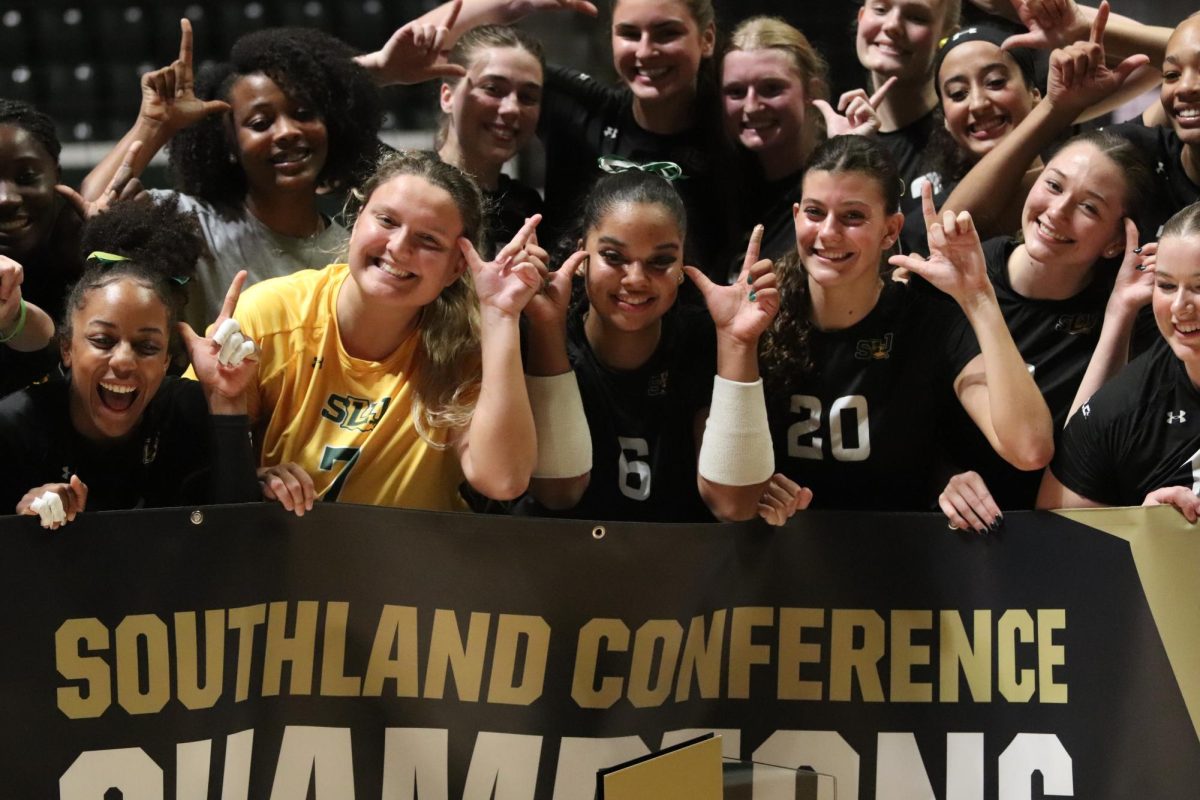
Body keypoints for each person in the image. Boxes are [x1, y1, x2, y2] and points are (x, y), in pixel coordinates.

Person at [227, 150, 540, 514]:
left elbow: (503, 481)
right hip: (282, 562)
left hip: (413, 564)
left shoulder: (465, 347)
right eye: (387, 221)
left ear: (456, 267)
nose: (399, 248)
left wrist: (501, 316)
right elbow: (191, 465)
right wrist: (253, 478)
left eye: (429, 240)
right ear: (358, 218)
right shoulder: (270, 314)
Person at [760, 135, 1052, 511]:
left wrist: (979, 297)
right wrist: (754, 489)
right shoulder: (761, 319)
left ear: (891, 230)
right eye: (815, 212)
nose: (829, 232)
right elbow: (722, 496)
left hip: (901, 556)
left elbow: (1029, 448)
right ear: (797, 215)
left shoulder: (929, 321)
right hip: (786, 556)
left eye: (853, 216)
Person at [361, 0, 734, 282]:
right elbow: (438, 52)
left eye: (667, 33)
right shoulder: (583, 109)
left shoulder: (734, 130)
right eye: (629, 34)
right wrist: (511, 5)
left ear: (707, 39)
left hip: (688, 352)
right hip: (568, 353)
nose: (645, 50)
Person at [81, 20, 384, 333]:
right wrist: (155, 123)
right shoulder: (187, 223)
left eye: (304, 114)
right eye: (260, 122)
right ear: (230, 145)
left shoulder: (352, 252)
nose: (287, 132)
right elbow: (93, 205)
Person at [519, 169, 787, 521]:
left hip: (682, 566)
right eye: (613, 257)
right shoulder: (540, 334)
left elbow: (732, 504)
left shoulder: (704, 340)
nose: (636, 279)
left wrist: (739, 342)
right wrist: (546, 327)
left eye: (660, 261)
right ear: (582, 255)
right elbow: (558, 493)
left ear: (681, 265)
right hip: (567, 563)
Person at [935, 130, 1155, 531]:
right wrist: (940, 476)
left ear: (1114, 243)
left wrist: (1118, 315)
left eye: (1088, 207)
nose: (1057, 211)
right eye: (1052, 185)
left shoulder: (1133, 315)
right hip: (945, 539)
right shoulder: (956, 275)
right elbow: (905, 418)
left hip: (1055, 541)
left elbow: (1083, 461)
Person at [0, 198, 260, 526]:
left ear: (167, 360)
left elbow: (241, 543)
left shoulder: (187, 412)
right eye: (102, 341)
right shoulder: (16, 428)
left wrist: (228, 401)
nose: (123, 362)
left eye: (147, 346)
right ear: (67, 348)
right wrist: (20, 522)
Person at [1038, 201, 1200, 521]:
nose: (1181, 306)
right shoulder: (1124, 408)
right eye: (1166, 285)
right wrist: (1146, 529)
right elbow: (1058, 530)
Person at [719, 15, 891, 270]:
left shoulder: (837, 174)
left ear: (812, 91)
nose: (752, 106)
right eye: (736, 92)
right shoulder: (723, 185)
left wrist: (851, 157)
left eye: (771, 88)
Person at [901, 21, 1042, 254]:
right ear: (945, 119)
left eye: (995, 82)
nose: (977, 104)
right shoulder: (927, 221)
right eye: (958, 94)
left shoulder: (1081, 182)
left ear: (1035, 94)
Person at [437, 24, 546, 255]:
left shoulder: (526, 210)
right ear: (447, 97)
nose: (511, 109)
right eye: (493, 89)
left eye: (527, 97)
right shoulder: (404, 184)